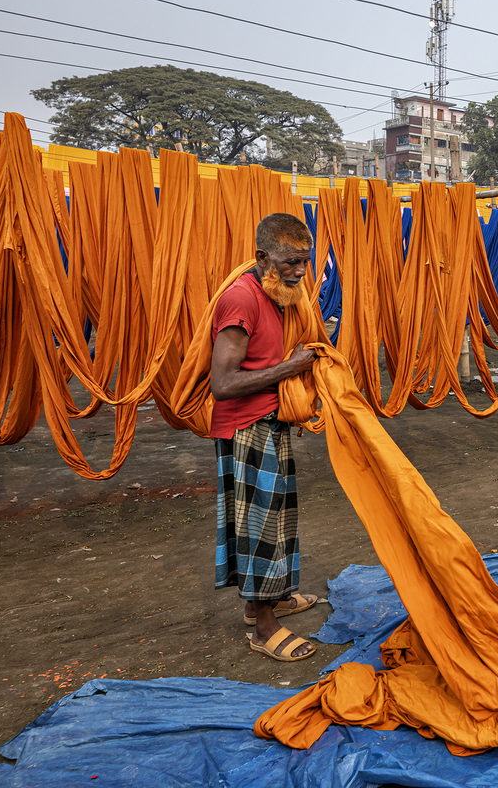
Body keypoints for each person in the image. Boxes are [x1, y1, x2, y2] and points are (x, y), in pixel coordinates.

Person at [209, 213, 320, 663]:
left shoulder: (277, 294)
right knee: (260, 529)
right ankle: (263, 627)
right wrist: (290, 370)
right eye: (289, 261)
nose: (298, 271)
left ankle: (268, 601)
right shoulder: (241, 301)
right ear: (261, 258)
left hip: (269, 421)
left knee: (277, 522)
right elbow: (223, 383)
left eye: (304, 262)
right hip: (245, 428)